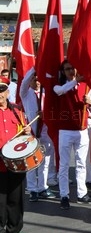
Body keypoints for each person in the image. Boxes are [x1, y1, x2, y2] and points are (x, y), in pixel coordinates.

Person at [53, 60, 91, 208]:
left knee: (81, 164)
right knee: (64, 165)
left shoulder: (86, 87)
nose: (71, 71)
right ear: (63, 72)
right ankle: (64, 195)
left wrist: (90, 103)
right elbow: (60, 91)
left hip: (82, 130)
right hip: (65, 130)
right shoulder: (59, 86)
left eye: (72, 68)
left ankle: (81, 193)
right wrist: (75, 82)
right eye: (67, 69)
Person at [0, 76, 31, 233]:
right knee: (0, 200)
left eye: (1, 90)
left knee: (16, 199)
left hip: (16, 164)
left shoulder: (17, 112)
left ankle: (14, 230)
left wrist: (27, 131)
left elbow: (27, 139)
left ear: (7, 91)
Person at [19, 69, 57, 202]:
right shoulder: (25, 93)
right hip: (31, 132)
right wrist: (36, 67)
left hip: (45, 131)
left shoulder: (46, 94)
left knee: (45, 161)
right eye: (35, 79)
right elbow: (24, 82)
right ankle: (32, 189)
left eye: (39, 80)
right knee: (31, 162)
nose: (38, 82)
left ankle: (42, 187)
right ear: (30, 82)